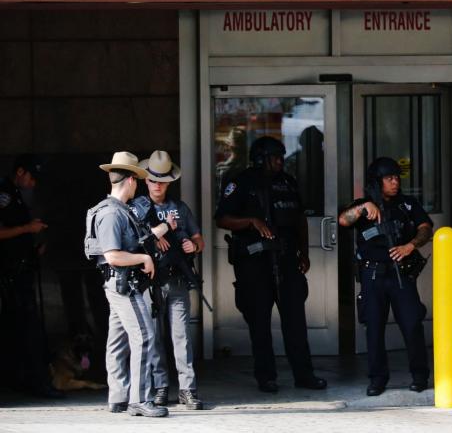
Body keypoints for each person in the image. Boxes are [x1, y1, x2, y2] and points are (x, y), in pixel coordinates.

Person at [214, 135, 326, 393]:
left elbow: (299, 220)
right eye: (275, 157)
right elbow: (223, 219)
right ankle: (266, 377)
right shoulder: (240, 182)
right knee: (260, 324)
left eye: (281, 156)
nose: (279, 161)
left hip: (286, 261)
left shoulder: (288, 183)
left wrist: (304, 254)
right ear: (261, 159)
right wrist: (251, 221)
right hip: (255, 264)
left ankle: (304, 375)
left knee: (295, 322)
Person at [338, 157, 433, 396]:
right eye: (389, 178)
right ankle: (377, 379)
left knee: (412, 324)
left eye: (396, 177)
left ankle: (420, 376)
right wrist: (363, 208)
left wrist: (410, 246)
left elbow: (425, 227)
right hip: (373, 275)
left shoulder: (407, 204)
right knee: (374, 328)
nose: (395, 182)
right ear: (377, 181)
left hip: (400, 273)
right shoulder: (363, 205)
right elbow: (342, 220)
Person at [84, 151, 167, 417]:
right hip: (123, 285)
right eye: (138, 180)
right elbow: (112, 255)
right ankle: (140, 399)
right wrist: (143, 257)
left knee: (117, 341)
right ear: (130, 180)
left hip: (120, 284)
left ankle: (118, 397)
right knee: (144, 336)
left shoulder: (118, 211)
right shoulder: (111, 213)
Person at [129, 150, 204, 410]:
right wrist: (155, 233)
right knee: (155, 337)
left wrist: (192, 247)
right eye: (153, 179)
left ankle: (187, 389)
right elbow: (132, 240)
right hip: (150, 282)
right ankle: (160, 387)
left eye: (162, 180)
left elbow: (199, 239)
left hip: (177, 280)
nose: (157, 185)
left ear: (169, 182)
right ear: (145, 180)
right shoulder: (137, 207)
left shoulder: (179, 208)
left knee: (181, 337)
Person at [0, 154, 64, 398]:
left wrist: (33, 246)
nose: (34, 183)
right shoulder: (4, 194)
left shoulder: (17, 195)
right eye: (32, 177)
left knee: (23, 328)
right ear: (19, 172)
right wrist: (27, 229)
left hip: (24, 267)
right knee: (26, 330)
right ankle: (34, 383)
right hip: (10, 274)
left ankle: (23, 380)